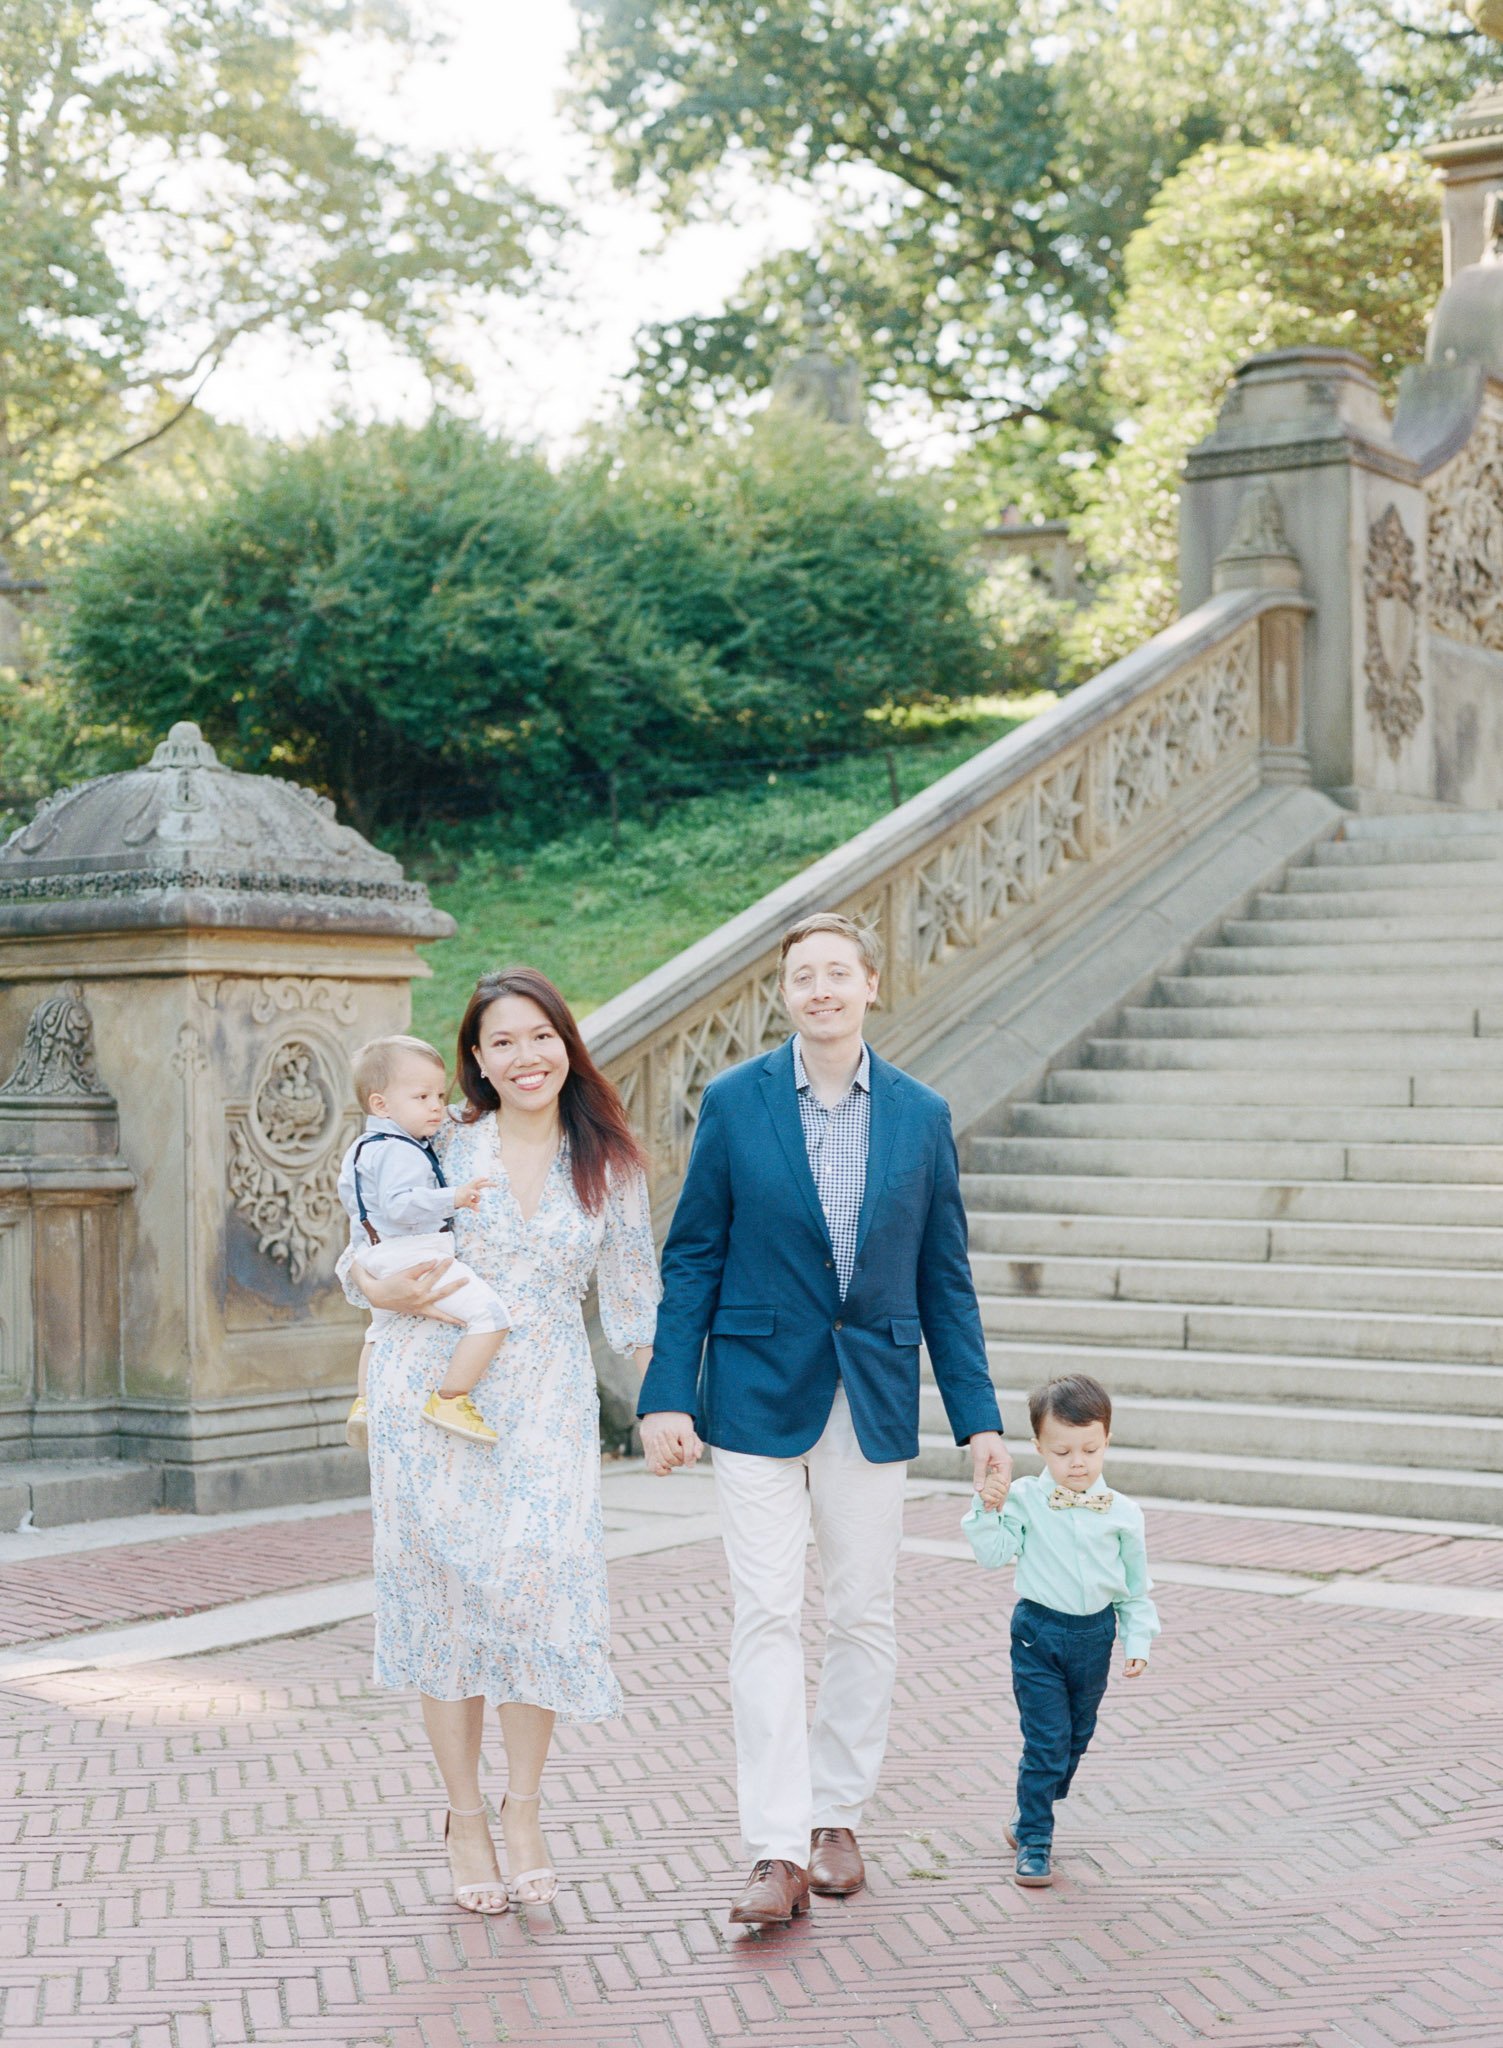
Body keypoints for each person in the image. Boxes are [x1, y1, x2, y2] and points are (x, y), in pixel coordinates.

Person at [637, 911, 1011, 1927]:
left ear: (870, 984)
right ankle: (773, 1845)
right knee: (764, 1611)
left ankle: (837, 1815)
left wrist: (979, 1416)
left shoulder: (922, 1114)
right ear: (786, 993)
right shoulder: (735, 1101)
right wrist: (668, 1388)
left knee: (860, 1610)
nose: (821, 989)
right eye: (803, 975)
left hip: (873, 1391)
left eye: (838, 972)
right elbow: (694, 1254)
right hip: (756, 1389)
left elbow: (947, 1278)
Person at [340, 969, 659, 1916]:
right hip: (433, 1390)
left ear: (568, 1043)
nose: (526, 1057)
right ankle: (466, 1816)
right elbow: (361, 1247)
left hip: (549, 1402)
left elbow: (636, 1299)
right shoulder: (442, 1143)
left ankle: (525, 1809)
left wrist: (669, 1402)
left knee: (537, 1595)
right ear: (475, 1060)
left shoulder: (610, 1164)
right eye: (503, 1043)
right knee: (447, 1604)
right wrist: (368, 1281)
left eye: (541, 1037)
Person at [962, 1372, 1159, 1889]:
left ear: (1107, 1441)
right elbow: (993, 1554)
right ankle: (1035, 1840)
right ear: (1038, 1447)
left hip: (1096, 1635)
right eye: (1063, 1451)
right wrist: (987, 1507)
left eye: (1089, 1450)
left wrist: (1138, 1640)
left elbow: (1135, 1589)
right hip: (1037, 1633)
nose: (1077, 1462)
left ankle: (1029, 1808)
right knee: (1047, 1740)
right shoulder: (1024, 1498)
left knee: (1076, 1737)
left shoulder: (1124, 1513)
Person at [338, 1034, 510, 1451]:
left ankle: (364, 1402)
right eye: (422, 1097)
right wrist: (454, 1196)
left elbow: (359, 1206)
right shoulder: (400, 1151)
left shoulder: (363, 1149)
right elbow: (400, 1206)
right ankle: (451, 1397)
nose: (436, 1106)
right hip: (416, 1251)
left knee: (378, 1332)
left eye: (439, 1094)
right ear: (381, 1105)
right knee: (491, 1316)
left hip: (377, 1253)